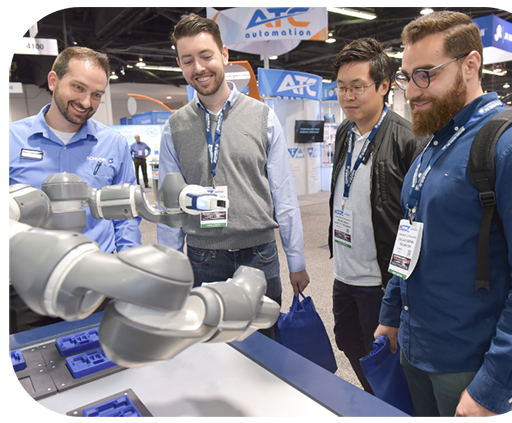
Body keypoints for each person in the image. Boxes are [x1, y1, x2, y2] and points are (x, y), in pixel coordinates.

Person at [375, 11, 512, 417]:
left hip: (469, 364)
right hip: (416, 345)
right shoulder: (433, 143)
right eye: (407, 77)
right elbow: (411, 234)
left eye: (426, 74)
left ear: (470, 65)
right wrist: (390, 313)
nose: (413, 90)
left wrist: (493, 386)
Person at [158, 16, 310, 316]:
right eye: (188, 60)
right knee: (212, 351)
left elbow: (284, 196)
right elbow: (170, 208)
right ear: (180, 64)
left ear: (224, 54)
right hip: (202, 259)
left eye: (206, 56)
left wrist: (297, 262)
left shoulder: (263, 117)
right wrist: (170, 270)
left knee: (267, 347)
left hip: (260, 256)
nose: (198, 68)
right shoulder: (174, 127)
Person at [9, 46, 141, 333]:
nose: (85, 102)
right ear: (54, 80)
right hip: (28, 286)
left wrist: (128, 272)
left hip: (98, 282)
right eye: (78, 87)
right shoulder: (12, 140)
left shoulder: (113, 145)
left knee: (108, 367)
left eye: (96, 94)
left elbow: (127, 216)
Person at [328, 38, 425, 394]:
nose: (348, 96)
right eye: (341, 87)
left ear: (384, 86)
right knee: (350, 346)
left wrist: (399, 289)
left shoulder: (408, 138)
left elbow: (417, 220)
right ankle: (374, 402)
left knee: (386, 359)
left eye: (357, 87)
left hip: (381, 281)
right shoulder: (343, 133)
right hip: (343, 274)